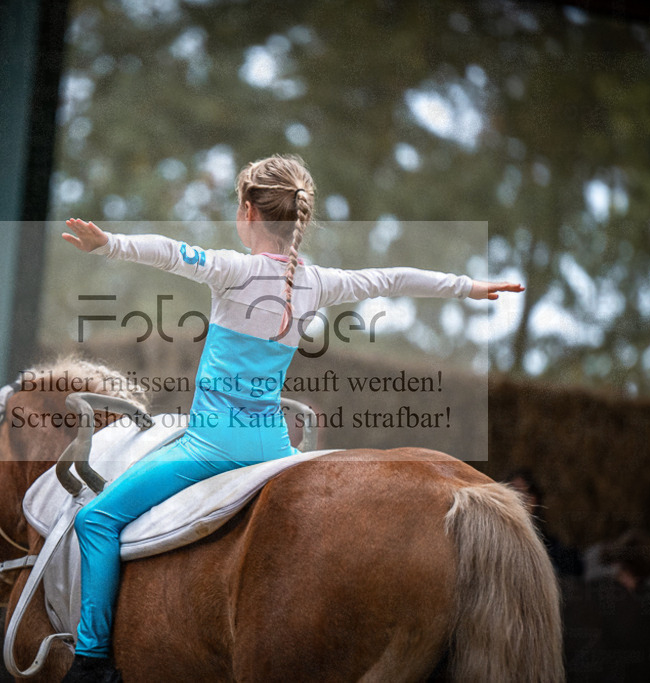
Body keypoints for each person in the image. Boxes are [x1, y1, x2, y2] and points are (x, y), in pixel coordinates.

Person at [58, 154, 525, 682]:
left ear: (248, 212)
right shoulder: (318, 282)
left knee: (94, 519)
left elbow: (169, 253)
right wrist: (469, 287)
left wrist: (108, 244)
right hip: (276, 450)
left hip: (210, 447)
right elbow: (392, 278)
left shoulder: (233, 269)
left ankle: (92, 657)